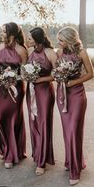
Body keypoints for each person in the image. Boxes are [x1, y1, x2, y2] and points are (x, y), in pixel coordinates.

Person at [56, 26, 93, 186]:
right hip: (62, 94)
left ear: (70, 40)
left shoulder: (82, 53)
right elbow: (55, 70)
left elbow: (91, 73)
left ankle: (75, 170)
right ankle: (71, 161)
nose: (60, 43)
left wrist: (73, 82)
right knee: (67, 131)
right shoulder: (59, 52)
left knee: (74, 130)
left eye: (62, 40)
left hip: (77, 94)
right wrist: (57, 76)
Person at [0, 22, 27, 169]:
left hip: (16, 89)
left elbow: (25, 73)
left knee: (13, 118)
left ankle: (12, 154)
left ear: (11, 34)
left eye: (4, 31)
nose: (1, 34)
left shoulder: (21, 50)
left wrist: (13, 78)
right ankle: (4, 147)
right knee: (0, 118)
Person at [26, 27, 57, 176]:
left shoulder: (50, 53)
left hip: (44, 91)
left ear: (37, 39)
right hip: (30, 91)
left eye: (30, 38)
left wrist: (41, 79)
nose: (28, 40)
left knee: (44, 123)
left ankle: (42, 160)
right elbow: (24, 70)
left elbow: (57, 74)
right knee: (33, 123)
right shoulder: (29, 52)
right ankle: (37, 154)